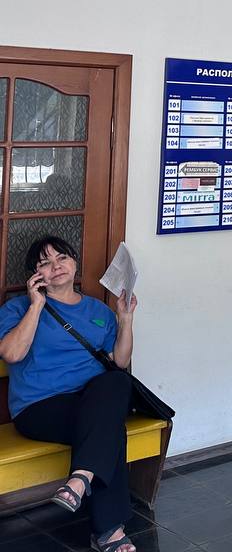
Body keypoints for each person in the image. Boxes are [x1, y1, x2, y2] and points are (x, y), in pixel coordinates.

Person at [0, 236, 139, 552]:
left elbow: (120, 360)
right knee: (110, 427)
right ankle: (108, 530)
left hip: (92, 400)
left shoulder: (97, 310)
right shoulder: (17, 308)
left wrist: (126, 319)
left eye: (62, 258)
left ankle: (79, 480)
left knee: (118, 382)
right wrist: (37, 305)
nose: (56, 266)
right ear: (35, 275)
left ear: (75, 261)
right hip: (39, 407)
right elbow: (12, 354)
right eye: (45, 263)